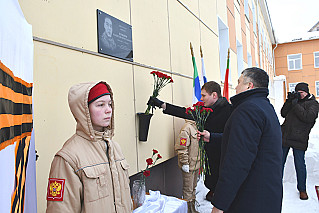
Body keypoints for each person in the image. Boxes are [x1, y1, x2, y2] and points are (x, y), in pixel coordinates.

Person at [198, 67, 283, 213]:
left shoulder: (247, 109)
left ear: (249, 86)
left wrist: (219, 204)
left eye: (239, 82)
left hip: (251, 198)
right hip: (266, 194)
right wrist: (212, 137)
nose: (236, 86)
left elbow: (237, 162)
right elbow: (249, 141)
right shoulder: (263, 106)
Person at [46, 82, 132, 212]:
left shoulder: (115, 148)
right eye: (100, 105)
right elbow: (60, 209)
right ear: (84, 110)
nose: (108, 109)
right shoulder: (68, 157)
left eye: (109, 104)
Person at [148, 81, 232, 201]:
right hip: (209, 156)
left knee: (221, 186)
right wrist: (162, 105)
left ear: (214, 95)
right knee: (212, 182)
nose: (201, 98)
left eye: (204, 95)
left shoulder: (228, 111)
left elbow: (231, 134)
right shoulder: (205, 110)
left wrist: (213, 136)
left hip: (223, 156)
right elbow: (184, 112)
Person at [281, 82, 319, 200]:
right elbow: (283, 114)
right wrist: (289, 102)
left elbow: (308, 117)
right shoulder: (294, 101)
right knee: (279, 162)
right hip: (286, 136)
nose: (299, 95)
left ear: (306, 92)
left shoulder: (313, 103)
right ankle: (275, 185)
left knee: (299, 164)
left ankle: (302, 189)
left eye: (301, 93)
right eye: (297, 92)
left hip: (299, 138)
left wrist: (295, 104)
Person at [175, 119, 200, 213]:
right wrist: (184, 162)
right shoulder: (186, 128)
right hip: (189, 165)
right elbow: (182, 147)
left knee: (193, 188)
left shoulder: (197, 126)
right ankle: (188, 210)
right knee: (188, 190)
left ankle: (192, 209)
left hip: (196, 164)